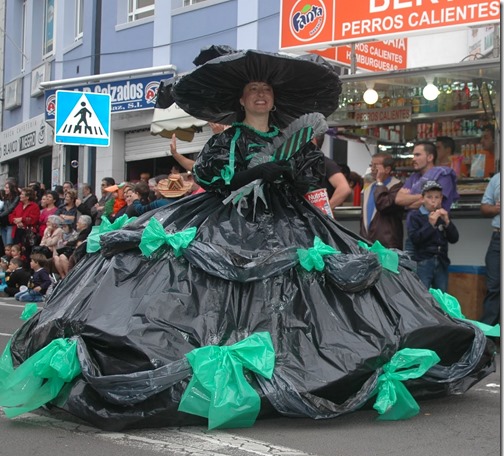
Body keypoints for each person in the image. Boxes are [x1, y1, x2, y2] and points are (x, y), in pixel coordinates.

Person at [0, 48, 495, 431]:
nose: (260, 95)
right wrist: (246, 174)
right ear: (241, 98)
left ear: (274, 99)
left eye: (266, 90)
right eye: (253, 89)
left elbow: (311, 187)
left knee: (310, 292)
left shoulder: (302, 141)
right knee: (214, 289)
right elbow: (214, 182)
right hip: (227, 220)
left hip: (291, 223)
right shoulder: (224, 140)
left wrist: (301, 188)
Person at [395, 141, 459, 254]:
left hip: (434, 238)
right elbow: (399, 199)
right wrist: (422, 197)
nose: (413, 159)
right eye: (413, 155)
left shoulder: (444, 175)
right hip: (414, 235)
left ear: (430, 157)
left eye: (417, 155)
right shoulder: (414, 177)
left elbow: (435, 203)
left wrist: (410, 201)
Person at [407, 181, 459, 292]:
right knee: (422, 295)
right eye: (429, 197)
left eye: (437, 197)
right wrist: (430, 225)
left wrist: (447, 222)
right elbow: (415, 239)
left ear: (441, 199)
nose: (433, 201)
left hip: (441, 261)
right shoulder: (415, 216)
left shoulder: (443, 216)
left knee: (441, 297)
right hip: (423, 262)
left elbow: (454, 239)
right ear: (422, 199)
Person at [360, 153, 404, 250]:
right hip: (368, 244)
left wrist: (379, 182)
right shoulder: (370, 187)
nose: (372, 169)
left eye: (376, 166)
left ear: (387, 169)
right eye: (371, 165)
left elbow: (384, 205)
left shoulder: (397, 187)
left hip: (387, 245)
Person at [480, 172, 500, 326]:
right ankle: (488, 339)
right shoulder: (497, 178)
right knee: (494, 287)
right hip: (498, 238)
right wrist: (497, 208)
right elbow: (485, 208)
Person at [313, 133, 351, 209]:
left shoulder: (325, 163)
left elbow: (344, 188)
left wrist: (325, 209)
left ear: (314, 141)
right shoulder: (302, 164)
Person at [8, 187, 40, 257]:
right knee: (16, 251)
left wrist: (22, 219)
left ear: (27, 197)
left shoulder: (34, 206)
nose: (20, 196)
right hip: (17, 231)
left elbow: (34, 219)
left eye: (22, 194)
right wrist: (15, 221)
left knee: (26, 252)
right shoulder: (19, 205)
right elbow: (11, 215)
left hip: (28, 233)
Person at [0, 180, 20, 250]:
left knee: (10, 245)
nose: (5, 189)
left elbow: (10, 209)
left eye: (7, 188)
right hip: (3, 223)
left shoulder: (17, 198)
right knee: (6, 247)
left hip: (10, 224)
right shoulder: (6, 198)